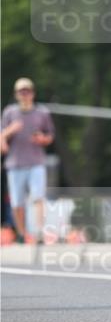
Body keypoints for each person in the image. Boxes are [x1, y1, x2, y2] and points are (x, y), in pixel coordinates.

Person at [0, 77, 55, 243]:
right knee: (17, 202)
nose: (24, 94)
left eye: (27, 91)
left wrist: (42, 139)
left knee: (38, 197)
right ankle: (22, 234)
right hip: (15, 164)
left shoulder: (42, 113)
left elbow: (50, 136)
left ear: (33, 93)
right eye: (21, 91)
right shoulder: (9, 112)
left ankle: (39, 232)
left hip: (36, 162)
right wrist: (11, 131)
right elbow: (1, 137)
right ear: (16, 94)